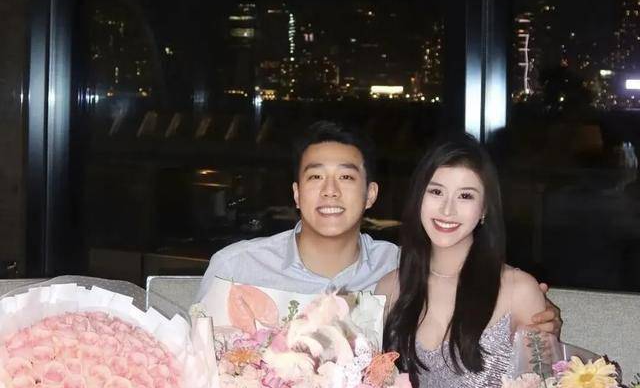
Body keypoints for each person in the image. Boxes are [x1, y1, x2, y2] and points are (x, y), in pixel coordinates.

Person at [197, 121, 559, 334]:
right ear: (296, 193)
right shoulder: (236, 267)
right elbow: (195, 367)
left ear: (371, 194)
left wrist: (538, 313)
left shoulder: (400, 272)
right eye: (316, 177)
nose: (330, 191)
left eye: (346, 177)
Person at [377, 135, 549, 388]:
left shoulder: (519, 291)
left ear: (484, 209)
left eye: (465, 196)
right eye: (436, 192)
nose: (447, 209)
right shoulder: (389, 289)